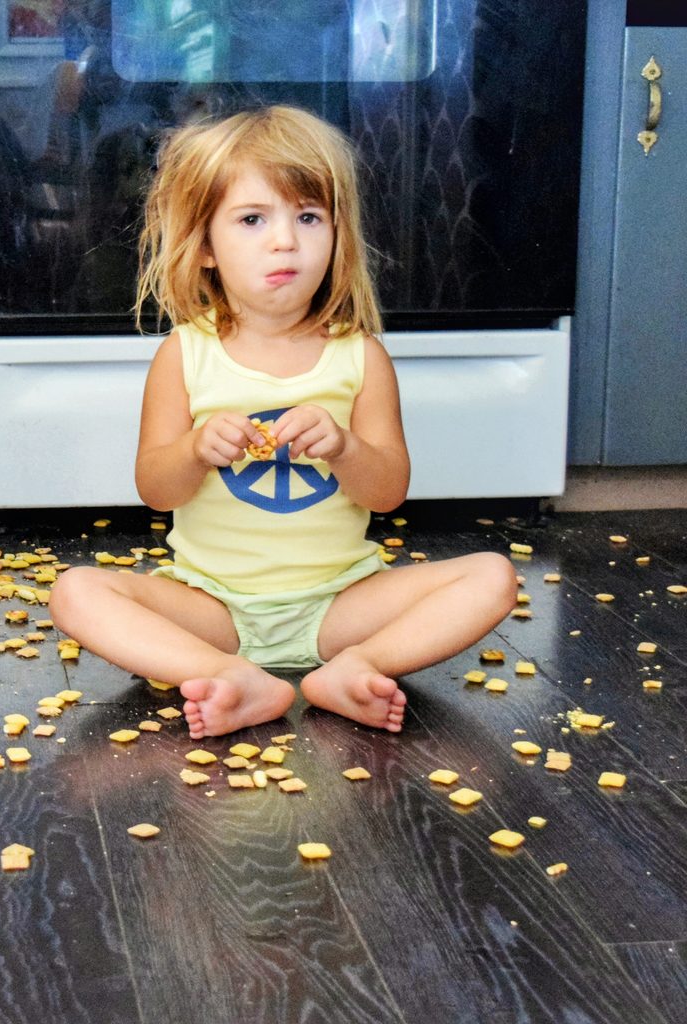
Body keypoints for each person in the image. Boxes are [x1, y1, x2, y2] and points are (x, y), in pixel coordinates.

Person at [49, 106, 517, 740]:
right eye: (252, 219)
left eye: (308, 217)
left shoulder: (361, 357)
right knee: (75, 592)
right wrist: (195, 449)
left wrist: (345, 447)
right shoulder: (185, 354)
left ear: (338, 235)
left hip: (340, 604)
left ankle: (357, 668)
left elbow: (387, 492)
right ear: (205, 247)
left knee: (493, 577)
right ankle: (227, 674)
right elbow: (156, 489)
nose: (284, 241)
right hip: (212, 606)